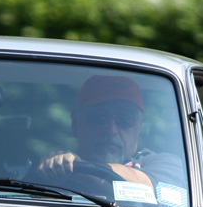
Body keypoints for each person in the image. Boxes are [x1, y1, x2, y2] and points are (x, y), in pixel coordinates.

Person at [32, 75, 185, 200]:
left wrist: (81, 169)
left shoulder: (166, 165)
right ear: (75, 124)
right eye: (97, 117)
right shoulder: (50, 171)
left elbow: (148, 189)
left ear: (139, 127)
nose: (111, 130)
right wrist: (54, 170)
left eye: (125, 119)